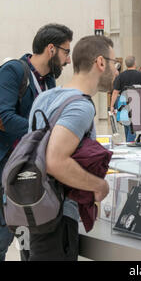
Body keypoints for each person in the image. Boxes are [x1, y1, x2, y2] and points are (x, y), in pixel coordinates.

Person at [25, 35, 115, 261]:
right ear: (101, 63)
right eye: (115, 64)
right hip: (56, 218)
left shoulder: (45, 97)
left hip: (31, 210)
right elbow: (55, 161)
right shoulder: (80, 106)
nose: (116, 71)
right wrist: (99, 185)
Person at [0, 23, 73, 262]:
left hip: (31, 170)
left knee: (27, 236)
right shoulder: (14, 71)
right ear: (51, 49)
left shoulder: (48, 81)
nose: (68, 60)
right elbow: (3, 116)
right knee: (3, 235)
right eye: (65, 52)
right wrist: (43, 131)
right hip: (6, 167)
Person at [110, 56, 141, 142]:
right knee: (132, 127)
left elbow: (115, 92)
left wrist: (111, 106)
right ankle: (130, 145)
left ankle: (128, 143)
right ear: (134, 63)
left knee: (126, 125)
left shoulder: (121, 76)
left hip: (123, 103)